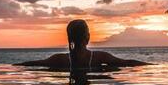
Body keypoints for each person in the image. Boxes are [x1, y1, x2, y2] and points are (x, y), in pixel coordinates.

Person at [15, 19, 150, 68]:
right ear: (88, 38)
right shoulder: (99, 57)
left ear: (69, 38)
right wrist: (152, 65)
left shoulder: (59, 59)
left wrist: (15, 65)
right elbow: (127, 63)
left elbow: (34, 64)